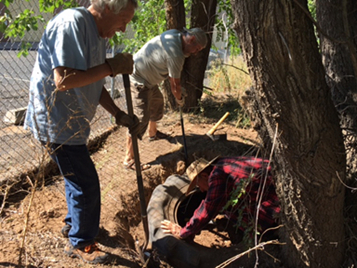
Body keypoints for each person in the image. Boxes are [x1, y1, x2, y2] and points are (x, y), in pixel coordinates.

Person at [24, 0, 139, 264]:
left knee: (76, 177)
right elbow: (64, 79)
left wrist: (118, 113)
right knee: (85, 183)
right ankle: (83, 242)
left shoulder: (98, 34)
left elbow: (94, 81)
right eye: (124, 20)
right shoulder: (72, 24)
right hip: (56, 121)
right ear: (108, 8)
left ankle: (74, 224)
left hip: (71, 123)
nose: (123, 29)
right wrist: (112, 67)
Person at [123, 27, 208, 170]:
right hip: (139, 79)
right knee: (140, 118)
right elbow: (175, 86)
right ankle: (128, 159)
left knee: (157, 103)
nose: (196, 52)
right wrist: (179, 99)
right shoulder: (176, 54)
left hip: (149, 80)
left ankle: (153, 133)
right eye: (197, 48)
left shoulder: (176, 35)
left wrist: (178, 91)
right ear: (191, 39)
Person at [161, 156, 281, 243]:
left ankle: (268, 237)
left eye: (198, 185)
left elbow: (208, 209)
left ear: (204, 176)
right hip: (275, 183)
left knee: (241, 217)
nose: (201, 190)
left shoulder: (217, 177)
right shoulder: (224, 162)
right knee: (231, 211)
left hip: (276, 200)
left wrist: (183, 232)